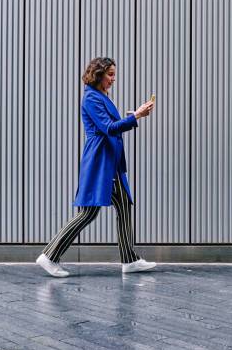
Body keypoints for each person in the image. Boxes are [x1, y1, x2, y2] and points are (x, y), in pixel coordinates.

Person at [36, 57, 156, 277]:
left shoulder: (99, 96)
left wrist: (133, 116)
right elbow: (108, 128)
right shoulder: (91, 98)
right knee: (88, 212)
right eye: (109, 74)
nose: (113, 79)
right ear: (98, 74)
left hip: (110, 161)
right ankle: (49, 256)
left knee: (124, 206)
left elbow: (109, 126)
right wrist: (136, 116)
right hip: (101, 161)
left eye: (113, 74)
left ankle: (129, 259)